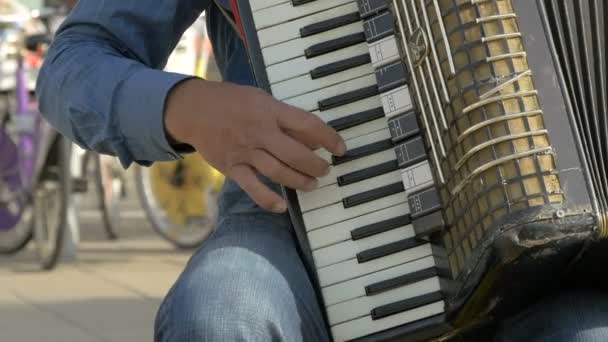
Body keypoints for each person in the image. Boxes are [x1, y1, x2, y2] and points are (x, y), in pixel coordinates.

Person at [36, 1, 608, 341]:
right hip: (296, 214)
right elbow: (74, 64)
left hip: (563, 251)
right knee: (220, 313)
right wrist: (187, 107)